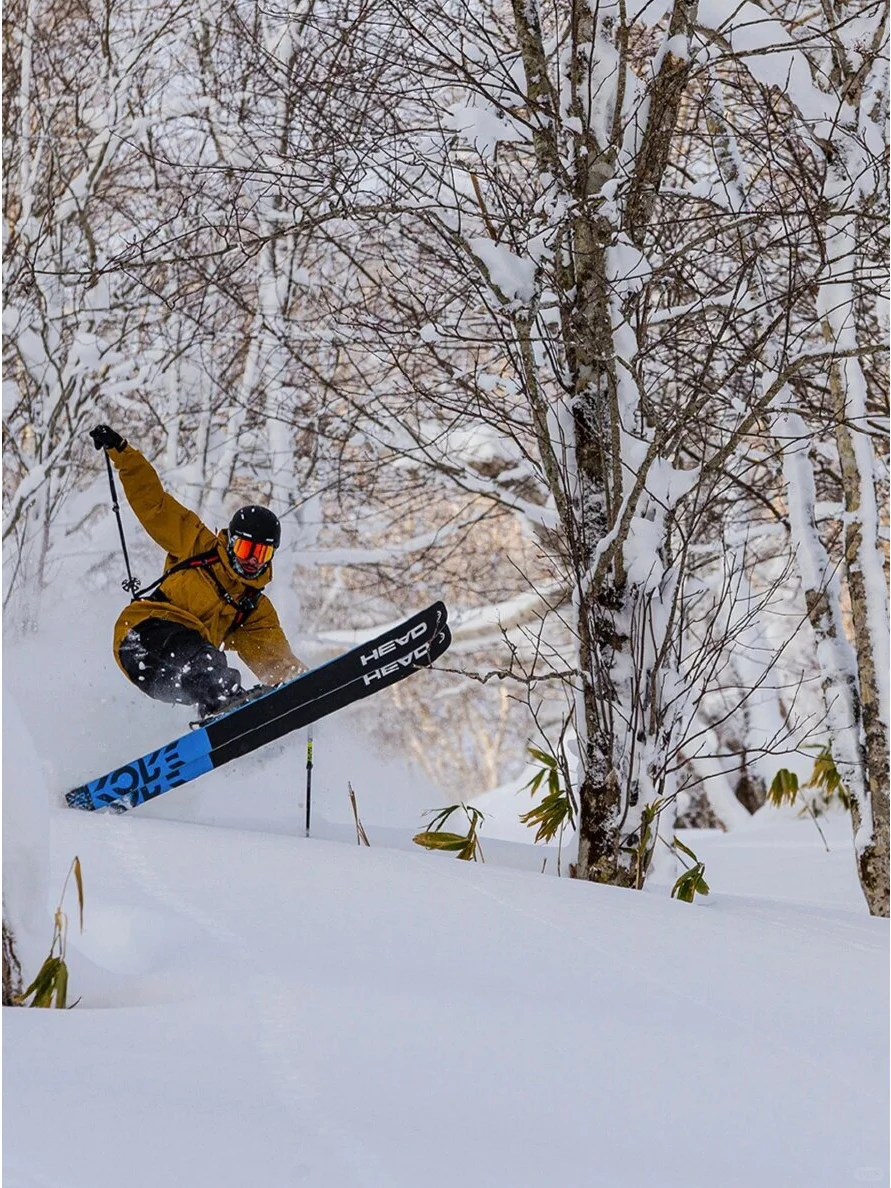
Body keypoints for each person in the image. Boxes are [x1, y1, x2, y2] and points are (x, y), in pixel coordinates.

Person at [90, 425, 306, 719]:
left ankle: (226, 721)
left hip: (170, 676)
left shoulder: (253, 607)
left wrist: (305, 689)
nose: (253, 561)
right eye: (246, 550)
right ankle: (227, 702)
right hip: (141, 636)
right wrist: (123, 454)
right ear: (230, 542)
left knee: (205, 667)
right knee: (205, 661)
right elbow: (153, 503)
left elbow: (276, 661)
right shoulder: (196, 544)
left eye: (262, 553)